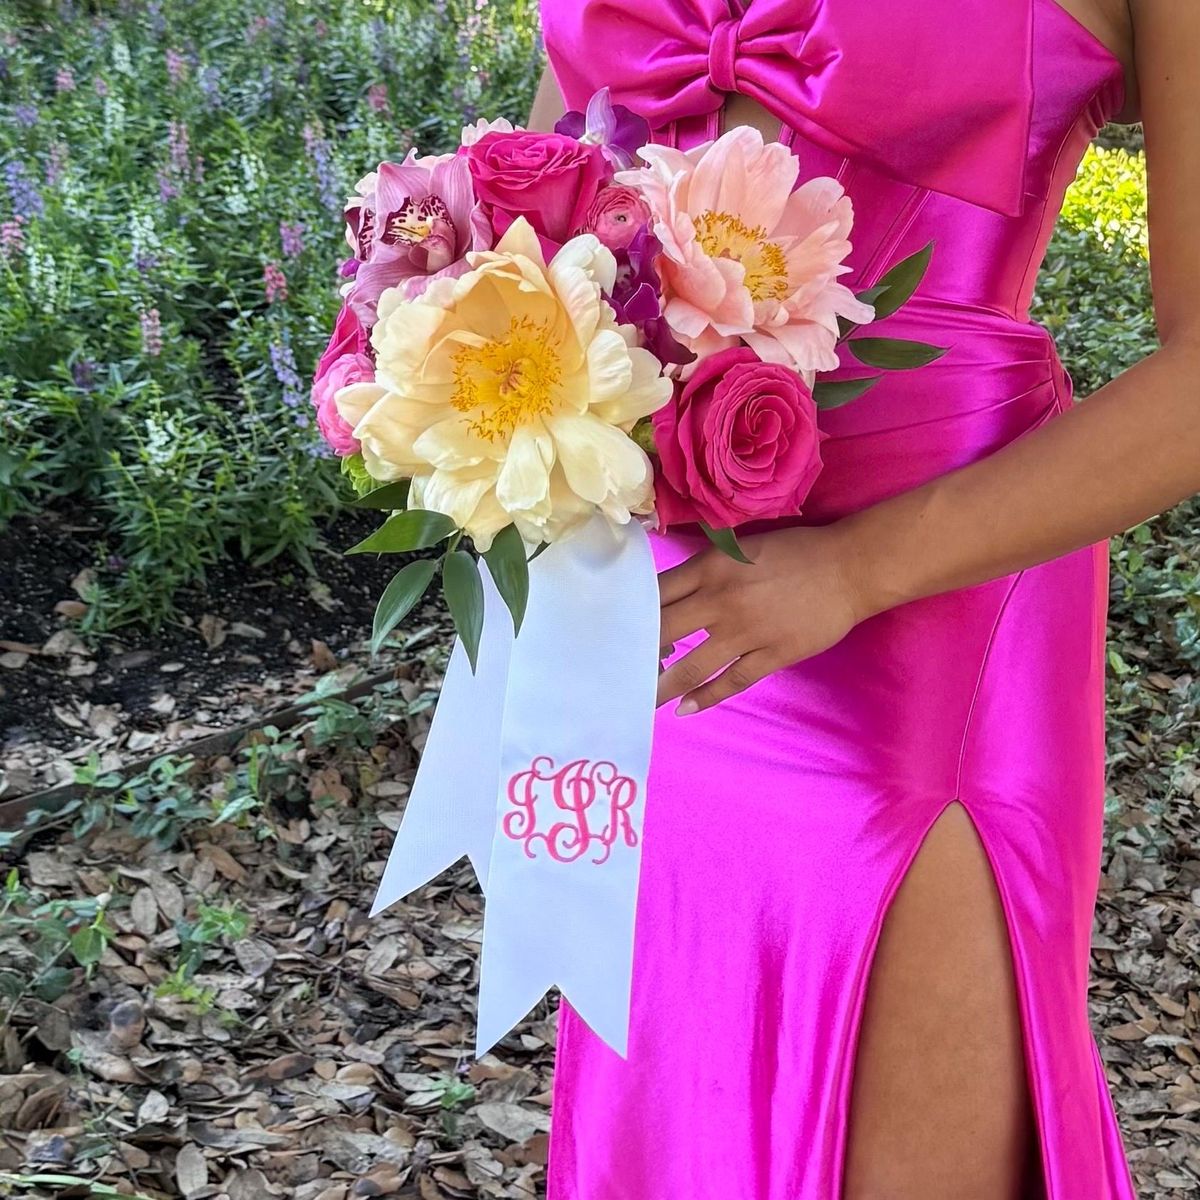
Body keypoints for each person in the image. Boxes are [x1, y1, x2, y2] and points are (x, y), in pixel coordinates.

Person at [527, 1, 1195, 1196]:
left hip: (930, 626)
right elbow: (543, 216)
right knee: (679, 1117)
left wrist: (856, 571)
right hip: (662, 603)